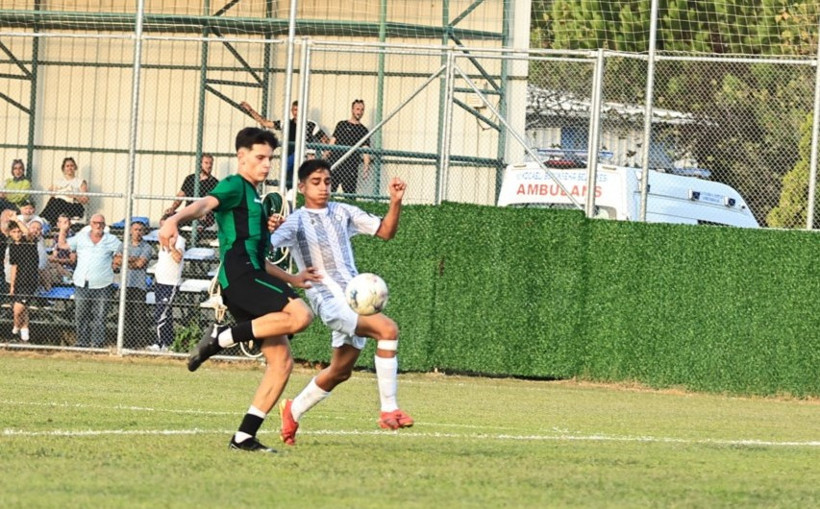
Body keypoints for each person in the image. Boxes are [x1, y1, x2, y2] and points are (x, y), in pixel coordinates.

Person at [158, 127, 319, 453]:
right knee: (301, 315)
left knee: (282, 363)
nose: (266, 164)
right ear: (241, 157)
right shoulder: (234, 185)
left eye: (270, 158)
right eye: (260, 157)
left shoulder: (256, 201)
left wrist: (292, 279)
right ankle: (222, 337)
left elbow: (260, 260)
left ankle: (244, 437)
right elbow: (203, 205)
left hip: (251, 275)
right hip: (240, 276)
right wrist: (174, 219)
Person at [270, 159, 413, 446]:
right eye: (315, 182)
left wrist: (395, 202)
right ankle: (389, 409)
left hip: (354, 298)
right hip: (329, 301)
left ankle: (292, 411)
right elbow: (260, 252)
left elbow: (386, 231)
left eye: (326, 181)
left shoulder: (343, 212)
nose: (323, 187)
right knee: (388, 330)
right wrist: (290, 273)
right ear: (302, 187)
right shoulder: (295, 221)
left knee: (340, 371)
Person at [57, 213, 122, 348]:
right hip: (82, 282)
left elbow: (121, 252)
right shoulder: (81, 237)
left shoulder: (111, 239)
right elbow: (62, 245)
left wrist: (116, 261)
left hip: (103, 284)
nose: (98, 226)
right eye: (95, 223)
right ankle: (82, 342)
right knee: (81, 315)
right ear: (91, 224)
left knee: (100, 315)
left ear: (104, 225)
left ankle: (97, 343)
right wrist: (63, 230)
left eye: (101, 223)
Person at [240, 100, 329, 189]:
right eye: (295, 110)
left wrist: (322, 156)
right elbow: (265, 123)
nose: (296, 112)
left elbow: (325, 140)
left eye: (299, 110)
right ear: (291, 111)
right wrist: (250, 109)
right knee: (289, 181)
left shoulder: (311, 124)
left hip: (304, 156)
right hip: (289, 154)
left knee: (301, 177)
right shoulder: (286, 123)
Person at [148, 215, 185, 352]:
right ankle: (167, 343)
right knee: (166, 314)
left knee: (160, 313)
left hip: (171, 283)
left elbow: (178, 258)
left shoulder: (179, 240)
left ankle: (159, 343)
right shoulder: (161, 241)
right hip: (160, 282)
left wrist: (171, 247)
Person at [326, 99, 372, 194]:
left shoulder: (363, 130)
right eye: (357, 109)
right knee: (329, 192)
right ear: (352, 110)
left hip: (351, 166)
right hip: (336, 163)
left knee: (350, 195)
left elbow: (365, 150)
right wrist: (324, 157)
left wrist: (366, 167)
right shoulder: (342, 125)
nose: (359, 112)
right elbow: (332, 142)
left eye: (362, 110)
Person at [120, 220, 153, 347]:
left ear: (143, 232)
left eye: (140, 230)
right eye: (135, 229)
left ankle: (142, 343)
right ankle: (127, 343)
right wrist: (133, 259)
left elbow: (140, 264)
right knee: (126, 316)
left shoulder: (147, 247)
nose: (138, 232)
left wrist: (125, 260)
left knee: (139, 316)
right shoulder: (123, 245)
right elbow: (116, 261)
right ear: (130, 231)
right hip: (125, 285)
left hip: (139, 286)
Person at [163, 154, 219, 229]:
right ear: (200, 164)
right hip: (188, 213)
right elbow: (180, 196)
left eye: (211, 163)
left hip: (203, 215)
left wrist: (206, 211)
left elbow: (214, 203)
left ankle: (197, 232)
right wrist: (173, 208)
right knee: (166, 218)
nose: (209, 166)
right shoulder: (190, 179)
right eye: (206, 163)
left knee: (202, 224)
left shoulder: (214, 182)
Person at [7, 220, 38, 342]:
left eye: (19, 231)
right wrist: (12, 285)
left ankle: (15, 329)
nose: (17, 234)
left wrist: (17, 220)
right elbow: (14, 267)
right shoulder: (12, 247)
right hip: (19, 281)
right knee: (23, 309)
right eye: (14, 232)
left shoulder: (29, 242)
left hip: (29, 281)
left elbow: (28, 233)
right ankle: (24, 331)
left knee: (18, 309)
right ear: (10, 233)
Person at [40, 157, 89, 225]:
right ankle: (45, 221)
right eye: (67, 166)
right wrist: (52, 191)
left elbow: (85, 200)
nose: (70, 168)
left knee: (57, 201)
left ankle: (43, 218)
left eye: (72, 166)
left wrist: (75, 196)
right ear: (63, 168)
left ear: (75, 167)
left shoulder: (80, 182)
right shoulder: (58, 181)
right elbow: (52, 194)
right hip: (58, 205)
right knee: (53, 200)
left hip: (73, 206)